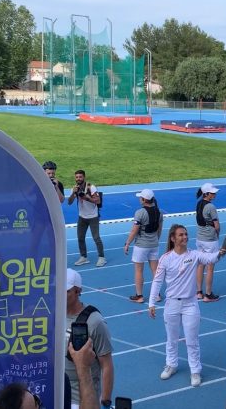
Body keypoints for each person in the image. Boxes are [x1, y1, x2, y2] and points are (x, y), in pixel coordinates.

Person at [148, 224, 226, 387]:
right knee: (172, 339)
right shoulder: (165, 258)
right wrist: (151, 302)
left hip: (190, 304)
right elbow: (157, 281)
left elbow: (211, 258)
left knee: (192, 340)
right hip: (171, 304)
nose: (185, 237)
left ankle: (195, 371)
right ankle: (172, 364)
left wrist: (220, 253)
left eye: (185, 234)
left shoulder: (195, 255)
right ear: (172, 238)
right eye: (181, 235)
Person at [64, 269, 114, 408]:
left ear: (78, 291)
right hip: (57, 394)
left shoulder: (95, 322)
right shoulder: (52, 314)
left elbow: (107, 364)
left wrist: (105, 402)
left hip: (80, 399)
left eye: (66, 291)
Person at [124, 189, 162, 303]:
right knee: (155, 270)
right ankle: (157, 295)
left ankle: (139, 296)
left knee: (139, 270)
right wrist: (155, 240)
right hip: (154, 244)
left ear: (144, 199)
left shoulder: (140, 212)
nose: (139, 199)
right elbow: (159, 230)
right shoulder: (159, 212)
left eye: (140, 198)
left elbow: (134, 230)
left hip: (141, 245)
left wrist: (127, 243)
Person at [68, 170, 105, 267]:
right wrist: (73, 193)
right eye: (76, 177)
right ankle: (83, 257)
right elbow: (69, 202)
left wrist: (86, 198)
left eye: (80, 177)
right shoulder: (75, 189)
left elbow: (98, 200)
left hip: (93, 217)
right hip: (82, 217)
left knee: (96, 238)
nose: (78, 179)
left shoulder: (90, 187)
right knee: (80, 238)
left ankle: (101, 257)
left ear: (84, 177)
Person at [194, 182, 221, 302]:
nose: (214, 194)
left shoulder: (199, 203)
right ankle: (208, 294)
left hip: (200, 238)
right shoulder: (211, 207)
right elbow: (216, 225)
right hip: (210, 240)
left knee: (200, 265)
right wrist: (217, 234)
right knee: (210, 267)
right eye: (212, 193)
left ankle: (198, 292)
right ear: (206, 194)